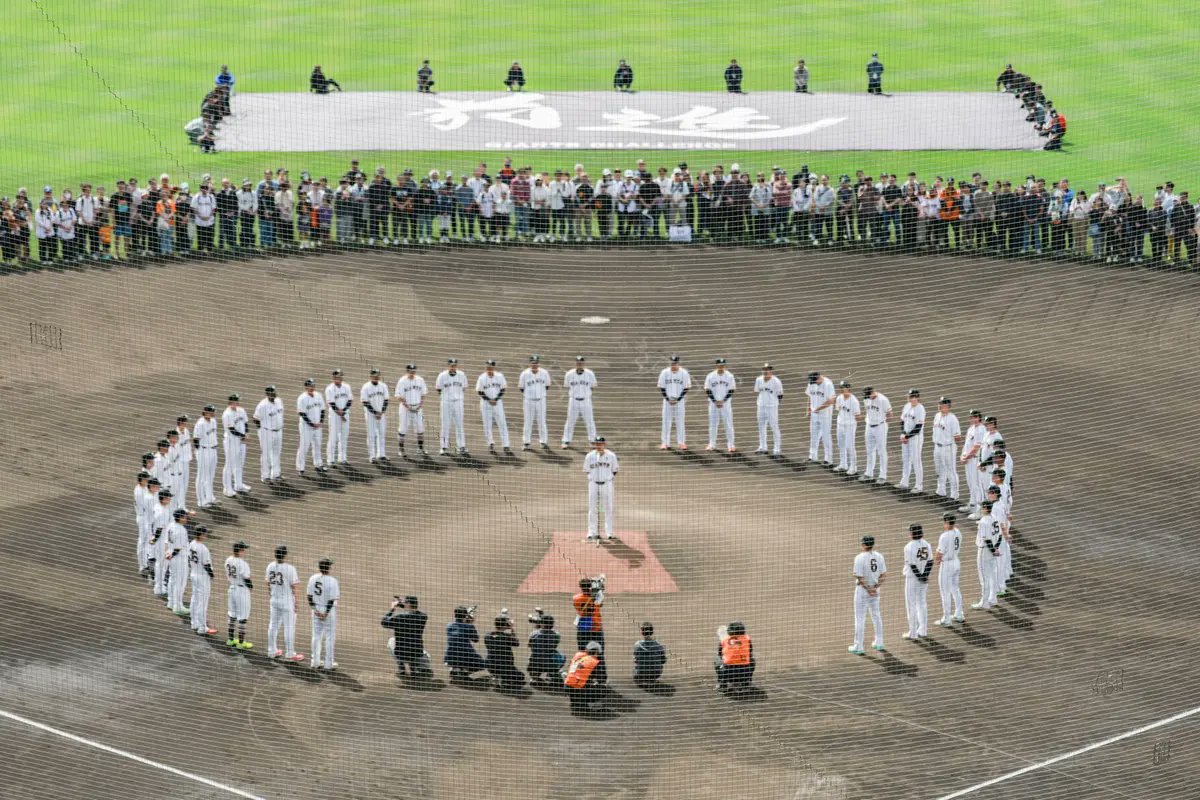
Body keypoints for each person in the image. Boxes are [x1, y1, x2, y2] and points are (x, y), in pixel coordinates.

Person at [266, 545, 304, 662]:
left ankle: (272, 651)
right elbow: (294, 587)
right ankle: (290, 653)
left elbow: (267, 583)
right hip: (287, 602)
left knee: (273, 626)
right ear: (285, 555)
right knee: (289, 627)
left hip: (274, 600)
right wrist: (296, 602)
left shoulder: (270, 566)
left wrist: (272, 595)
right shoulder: (290, 568)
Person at [849, 535, 887, 654]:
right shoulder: (879, 556)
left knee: (860, 618)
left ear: (864, 545)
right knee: (876, 615)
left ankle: (858, 646)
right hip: (875, 591)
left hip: (863, 591)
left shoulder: (859, 558)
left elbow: (859, 576)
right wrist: (875, 588)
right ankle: (879, 642)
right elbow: (884, 575)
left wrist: (868, 589)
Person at [382, 595, 431, 679]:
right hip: (416, 653)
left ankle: (401, 668)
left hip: (402, 653)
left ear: (408, 604)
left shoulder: (399, 617)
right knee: (425, 654)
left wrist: (392, 608)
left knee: (391, 641)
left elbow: (384, 622)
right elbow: (412, 612)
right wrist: (403, 604)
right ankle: (414, 668)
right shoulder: (423, 616)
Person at [306, 558, 340, 670]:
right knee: (330, 637)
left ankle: (315, 662)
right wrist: (325, 613)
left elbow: (309, 597)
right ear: (329, 568)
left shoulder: (313, 578)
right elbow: (331, 600)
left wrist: (315, 610)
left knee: (316, 636)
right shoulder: (332, 581)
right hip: (328, 612)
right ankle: (328, 664)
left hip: (316, 609)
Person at [901, 524, 933, 641]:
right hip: (924, 577)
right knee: (922, 603)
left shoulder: (909, 547)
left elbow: (912, 564)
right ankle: (923, 630)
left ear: (912, 534)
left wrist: (920, 577)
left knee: (911, 605)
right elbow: (930, 561)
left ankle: (913, 632)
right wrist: (925, 576)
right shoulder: (926, 544)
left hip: (912, 579)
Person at [583, 438, 619, 541]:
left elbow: (615, 470)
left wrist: (607, 478)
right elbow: (586, 470)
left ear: (604, 444)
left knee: (608, 508)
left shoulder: (611, 456)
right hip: (593, 484)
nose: (598, 446)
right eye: (597, 444)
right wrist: (594, 478)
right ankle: (591, 532)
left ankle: (609, 532)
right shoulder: (589, 456)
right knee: (592, 508)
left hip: (607, 484)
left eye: (600, 444)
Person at [934, 512, 965, 626]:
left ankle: (946, 619)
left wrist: (937, 560)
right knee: (955, 589)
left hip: (947, 565)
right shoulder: (958, 532)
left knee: (945, 592)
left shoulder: (945, 536)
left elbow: (939, 553)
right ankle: (959, 614)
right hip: (956, 562)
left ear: (947, 522)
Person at [970, 500, 1002, 610]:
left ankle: (984, 602)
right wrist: (996, 548)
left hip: (985, 551)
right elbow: (1000, 536)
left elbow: (986, 539)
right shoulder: (995, 518)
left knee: (984, 578)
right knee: (992, 575)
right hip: (993, 549)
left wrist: (993, 550)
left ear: (984, 508)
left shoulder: (984, 521)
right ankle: (993, 598)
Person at [476, 360, 512, 455]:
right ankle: (490, 443)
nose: (489, 369)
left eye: (491, 367)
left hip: (498, 403)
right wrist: (489, 400)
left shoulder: (499, 376)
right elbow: (479, 391)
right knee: (487, 424)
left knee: (502, 423)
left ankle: (506, 445)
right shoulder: (482, 378)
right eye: (487, 367)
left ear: (493, 367)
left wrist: (496, 399)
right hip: (485, 403)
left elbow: (503, 388)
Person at [562, 356, 598, 448]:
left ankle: (593, 440)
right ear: (576, 364)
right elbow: (567, 386)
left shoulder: (590, 374)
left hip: (586, 401)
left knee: (589, 421)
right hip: (573, 401)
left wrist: (585, 394)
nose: (579, 364)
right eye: (578, 363)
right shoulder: (569, 374)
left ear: (584, 363)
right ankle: (566, 440)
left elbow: (593, 386)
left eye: (581, 363)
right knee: (570, 421)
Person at [657, 355, 691, 450]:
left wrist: (678, 399)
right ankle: (665, 443)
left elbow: (686, 387)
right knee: (666, 422)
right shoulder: (664, 372)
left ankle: (681, 443)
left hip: (679, 402)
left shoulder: (684, 373)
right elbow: (661, 387)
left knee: (680, 421)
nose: (674, 365)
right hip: (667, 402)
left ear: (678, 363)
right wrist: (668, 399)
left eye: (675, 363)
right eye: (672, 363)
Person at [445, 605, 489, 681]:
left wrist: (466, 622)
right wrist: (470, 623)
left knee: (458, 648)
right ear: (465, 616)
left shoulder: (449, 626)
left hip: (450, 656)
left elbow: (459, 631)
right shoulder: (469, 627)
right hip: (465, 655)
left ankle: (455, 669)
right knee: (482, 664)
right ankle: (464, 672)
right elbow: (475, 639)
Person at [435, 358, 469, 455]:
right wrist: (446, 397)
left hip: (458, 402)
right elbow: (438, 388)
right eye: (451, 365)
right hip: (446, 402)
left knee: (459, 424)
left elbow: (464, 387)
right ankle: (444, 447)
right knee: (445, 424)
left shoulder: (462, 375)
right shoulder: (442, 375)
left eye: (454, 365)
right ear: (448, 365)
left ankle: (461, 446)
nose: (453, 367)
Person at [225, 540, 254, 649]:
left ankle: (230, 640)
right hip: (241, 591)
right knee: (243, 617)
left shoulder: (228, 560)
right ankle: (241, 643)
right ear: (240, 551)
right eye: (244, 549)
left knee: (232, 615)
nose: (245, 551)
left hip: (232, 588)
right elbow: (246, 578)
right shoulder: (242, 563)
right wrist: (251, 587)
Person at [188, 526, 217, 635]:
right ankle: (202, 627)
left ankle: (194, 622)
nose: (206, 535)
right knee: (202, 603)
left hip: (194, 574)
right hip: (202, 577)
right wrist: (212, 575)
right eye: (204, 533)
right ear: (200, 535)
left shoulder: (191, 543)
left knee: (195, 599)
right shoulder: (203, 548)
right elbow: (206, 565)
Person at [931, 396, 962, 500]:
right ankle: (941, 491)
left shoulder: (953, 419)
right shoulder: (937, 416)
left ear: (948, 406)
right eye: (940, 404)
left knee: (951, 470)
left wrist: (951, 445)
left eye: (943, 404)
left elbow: (958, 437)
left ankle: (954, 494)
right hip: (937, 446)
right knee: (939, 470)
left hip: (948, 447)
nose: (941, 406)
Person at [518, 354, 551, 450]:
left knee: (541, 421)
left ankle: (543, 441)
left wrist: (540, 394)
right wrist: (530, 395)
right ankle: (526, 442)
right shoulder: (524, 374)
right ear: (530, 364)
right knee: (528, 421)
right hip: (528, 401)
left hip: (541, 400)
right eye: (533, 363)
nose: (534, 365)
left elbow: (547, 385)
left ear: (538, 363)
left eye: (536, 363)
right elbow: (521, 387)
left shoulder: (544, 373)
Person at [251, 385, 283, 484]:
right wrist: (263, 430)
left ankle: (276, 474)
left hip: (278, 431)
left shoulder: (279, 401)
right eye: (271, 392)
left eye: (274, 392)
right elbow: (255, 418)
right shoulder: (262, 405)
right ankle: (265, 476)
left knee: (276, 453)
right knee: (266, 455)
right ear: (267, 394)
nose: (273, 394)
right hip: (267, 432)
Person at [296, 378, 327, 477]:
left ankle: (318, 464)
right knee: (304, 447)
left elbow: (322, 409)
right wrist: (312, 424)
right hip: (306, 427)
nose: (312, 387)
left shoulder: (318, 395)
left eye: (313, 385)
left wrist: (321, 421)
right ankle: (300, 467)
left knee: (317, 445)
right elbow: (302, 413)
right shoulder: (302, 398)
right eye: (310, 386)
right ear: (306, 387)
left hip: (318, 426)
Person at [395, 364, 429, 456]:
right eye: (410, 371)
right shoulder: (402, 381)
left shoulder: (420, 380)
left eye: (414, 371)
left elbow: (423, 394)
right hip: (405, 408)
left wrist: (420, 405)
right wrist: (407, 406)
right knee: (403, 428)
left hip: (418, 407)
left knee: (420, 428)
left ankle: (420, 448)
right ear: (407, 371)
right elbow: (398, 396)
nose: (412, 373)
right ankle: (401, 450)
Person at [704, 358, 736, 452]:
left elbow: (731, 389)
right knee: (713, 424)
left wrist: (723, 401)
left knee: (728, 424)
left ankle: (731, 445)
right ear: (716, 365)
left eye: (723, 365)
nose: (721, 367)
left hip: (725, 404)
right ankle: (712, 444)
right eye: (720, 365)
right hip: (713, 404)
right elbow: (707, 389)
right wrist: (715, 401)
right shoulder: (710, 376)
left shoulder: (729, 376)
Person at [222, 394, 251, 497]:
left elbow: (246, 423)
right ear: (230, 403)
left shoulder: (241, 410)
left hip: (241, 440)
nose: (238, 403)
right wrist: (243, 436)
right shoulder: (227, 414)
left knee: (240, 463)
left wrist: (246, 434)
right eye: (236, 401)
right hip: (231, 441)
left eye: (238, 401)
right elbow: (232, 430)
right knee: (229, 465)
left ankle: (238, 485)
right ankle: (227, 488)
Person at [485, 614, 524, 689]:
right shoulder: (507, 637)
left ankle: (495, 676)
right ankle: (504, 680)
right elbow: (517, 643)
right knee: (521, 677)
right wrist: (512, 628)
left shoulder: (487, 635)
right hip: (505, 667)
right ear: (505, 625)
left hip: (490, 665)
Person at [164, 509, 191, 616]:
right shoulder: (181, 530)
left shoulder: (170, 525)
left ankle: (171, 602)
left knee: (172, 579)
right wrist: (172, 554)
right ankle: (178, 607)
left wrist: (167, 553)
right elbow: (178, 547)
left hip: (171, 557)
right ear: (180, 518)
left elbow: (166, 542)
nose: (186, 518)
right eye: (184, 516)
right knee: (180, 583)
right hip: (179, 558)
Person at [564, 642, 604, 714]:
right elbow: (600, 678)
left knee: (579, 680)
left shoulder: (578, 655)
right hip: (579, 688)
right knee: (603, 688)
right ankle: (583, 706)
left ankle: (574, 702)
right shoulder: (594, 661)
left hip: (567, 686)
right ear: (596, 651)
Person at [360, 368, 390, 463]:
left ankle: (381, 454)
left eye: (377, 375)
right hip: (370, 415)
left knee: (382, 433)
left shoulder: (383, 386)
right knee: (371, 435)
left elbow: (386, 400)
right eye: (374, 376)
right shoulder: (366, 387)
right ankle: (372, 456)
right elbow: (365, 402)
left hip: (381, 414)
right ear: (371, 376)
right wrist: (375, 412)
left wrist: (382, 412)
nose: (376, 377)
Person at [527, 611, 565, 686]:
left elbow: (529, 645)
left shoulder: (534, 634)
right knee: (561, 656)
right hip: (549, 663)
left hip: (534, 663)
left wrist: (537, 627)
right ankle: (552, 675)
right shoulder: (556, 635)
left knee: (534, 656)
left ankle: (535, 677)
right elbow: (554, 645)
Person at [714, 621, 754, 692]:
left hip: (728, 674)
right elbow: (750, 652)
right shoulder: (747, 640)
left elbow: (720, 654)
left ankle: (722, 684)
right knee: (752, 659)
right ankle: (746, 683)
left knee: (717, 659)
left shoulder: (724, 640)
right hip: (744, 673)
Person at [897, 389, 925, 492]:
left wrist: (907, 436)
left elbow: (918, 427)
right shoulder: (906, 406)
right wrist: (903, 433)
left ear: (917, 397)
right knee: (906, 459)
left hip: (915, 439)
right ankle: (904, 482)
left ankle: (919, 485)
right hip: (906, 437)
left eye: (913, 397)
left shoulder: (920, 409)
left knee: (916, 461)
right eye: (910, 397)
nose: (911, 399)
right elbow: (902, 421)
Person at [805, 370, 835, 464]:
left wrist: (818, 408)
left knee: (826, 436)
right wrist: (808, 408)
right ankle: (813, 456)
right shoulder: (812, 383)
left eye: (814, 381)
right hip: (814, 413)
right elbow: (810, 396)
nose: (812, 383)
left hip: (825, 414)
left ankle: (828, 459)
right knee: (813, 435)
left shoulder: (828, 384)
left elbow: (831, 401)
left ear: (819, 378)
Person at [754, 363, 783, 455]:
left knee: (774, 427)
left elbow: (780, 395)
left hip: (772, 407)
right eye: (764, 369)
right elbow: (757, 391)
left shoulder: (776, 381)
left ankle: (777, 449)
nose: (766, 371)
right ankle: (763, 447)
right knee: (761, 427)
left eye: (768, 370)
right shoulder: (758, 380)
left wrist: (774, 403)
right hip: (761, 406)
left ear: (771, 371)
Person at [324, 369, 352, 466]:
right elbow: (331, 403)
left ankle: (342, 458)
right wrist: (340, 413)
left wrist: (343, 412)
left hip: (345, 413)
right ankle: (330, 459)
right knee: (333, 437)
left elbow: (350, 400)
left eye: (341, 376)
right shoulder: (329, 389)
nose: (340, 378)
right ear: (334, 377)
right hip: (334, 416)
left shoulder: (347, 387)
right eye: (338, 376)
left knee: (344, 436)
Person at [834, 380, 862, 475]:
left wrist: (851, 422)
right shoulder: (839, 398)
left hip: (850, 426)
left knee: (850, 446)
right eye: (841, 388)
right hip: (840, 424)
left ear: (848, 389)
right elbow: (838, 410)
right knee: (841, 444)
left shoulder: (854, 401)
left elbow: (858, 416)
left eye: (843, 388)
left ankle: (853, 467)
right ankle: (843, 464)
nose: (841, 390)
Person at [633, 622, 667, 688]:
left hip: (640, 672)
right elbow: (663, 660)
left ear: (642, 632)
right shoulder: (658, 645)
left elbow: (635, 660)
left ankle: (641, 679)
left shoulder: (637, 645)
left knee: (636, 667)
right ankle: (651, 680)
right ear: (652, 632)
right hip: (655, 673)